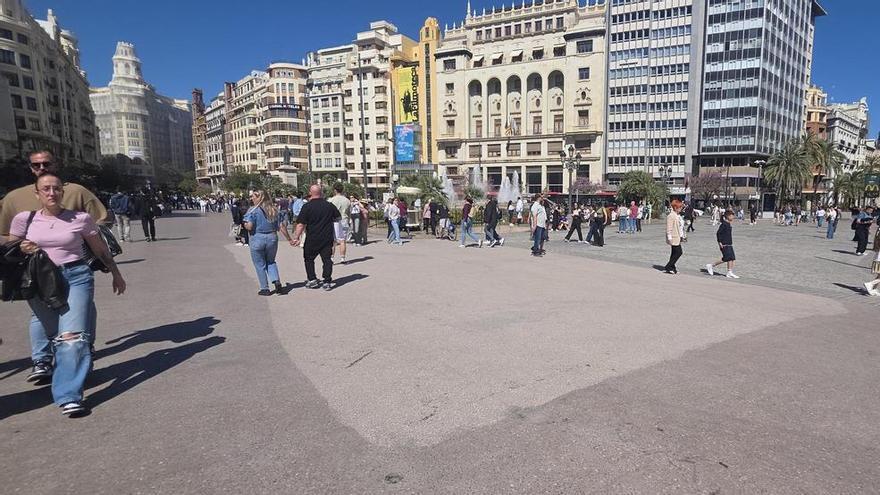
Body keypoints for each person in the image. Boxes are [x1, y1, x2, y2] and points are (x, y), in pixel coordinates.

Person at [9, 172, 126, 415]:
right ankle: (68, 366)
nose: (52, 193)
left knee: (72, 338)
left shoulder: (80, 218)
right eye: (46, 189)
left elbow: (100, 249)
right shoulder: (24, 219)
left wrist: (115, 273)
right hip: (39, 281)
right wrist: (21, 247)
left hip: (76, 277)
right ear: (37, 193)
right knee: (55, 335)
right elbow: (11, 251)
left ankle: (68, 395)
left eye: (56, 188)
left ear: (63, 191)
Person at [0, 150, 108, 384]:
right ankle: (42, 360)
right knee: (39, 316)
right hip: (37, 271)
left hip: (76, 268)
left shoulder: (77, 191)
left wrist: (85, 242)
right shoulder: (14, 198)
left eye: (46, 163)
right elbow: (6, 236)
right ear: (30, 169)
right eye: (36, 165)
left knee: (82, 312)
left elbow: (99, 220)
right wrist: (20, 248)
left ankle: (82, 353)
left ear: (56, 164)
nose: (41, 168)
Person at [243, 190, 293, 296]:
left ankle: (265, 288)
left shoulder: (252, 211)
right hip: (272, 238)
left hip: (257, 238)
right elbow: (282, 226)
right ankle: (276, 281)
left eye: (253, 197)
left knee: (259, 264)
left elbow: (250, 226)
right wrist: (289, 239)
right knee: (271, 261)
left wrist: (244, 225)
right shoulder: (274, 210)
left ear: (259, 198)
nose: (251, 199)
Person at [292, 185, 341, 290]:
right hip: (326, 238)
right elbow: (338, 217)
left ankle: (312, 279)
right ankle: (327, 281)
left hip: (312, 238)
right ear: (321, 192)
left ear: (310, 192)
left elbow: (301, 224)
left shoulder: (307, 207)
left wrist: (296, 237)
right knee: (327, 260)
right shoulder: (329, 205)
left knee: (309, 259)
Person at [706, 209, 740, 279]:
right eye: (732, 216)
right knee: (726, 258)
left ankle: (729, 272)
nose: (733, 217)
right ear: (728, 216)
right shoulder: (724, 224)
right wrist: (719, 242)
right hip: (724, 244)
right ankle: (711, 265)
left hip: (729, 244)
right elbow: (718, 233)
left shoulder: (728, 224)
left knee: (732, 258)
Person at [328, 183, 351, 264]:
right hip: (344, 220)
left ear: (334, 190)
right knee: (342, 240)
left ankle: (331, 258)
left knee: (333, 241)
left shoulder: (331, 200)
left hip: (334, 221)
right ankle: (342, 258)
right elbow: (349, 212)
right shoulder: (347, 200)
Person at [663, 199, 685, 274]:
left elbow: (680, 226)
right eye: (680, 207)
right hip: (674, 237)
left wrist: (682, 236)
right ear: (675, 207)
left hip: (678, 236)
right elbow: (669, 228)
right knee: (679, 252)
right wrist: (669, 238)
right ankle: (668, 266)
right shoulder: (671, 216)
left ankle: (672, 267)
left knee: (674, 252)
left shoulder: (677, 215)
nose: (681, 209)